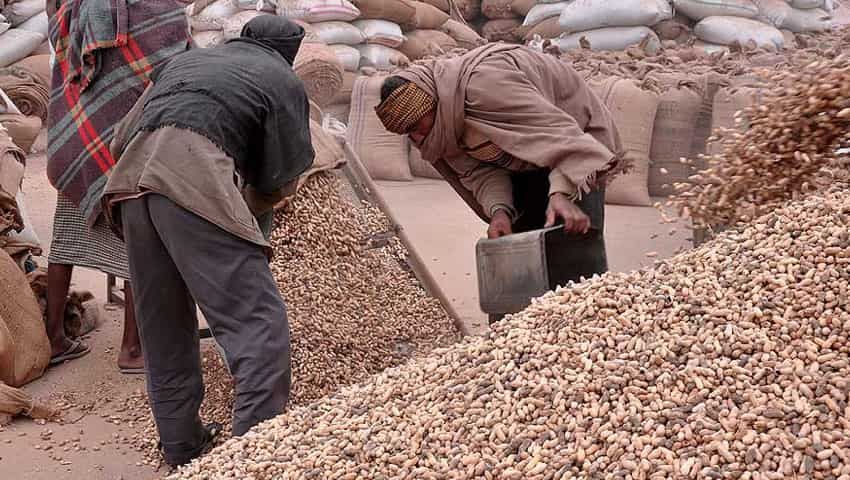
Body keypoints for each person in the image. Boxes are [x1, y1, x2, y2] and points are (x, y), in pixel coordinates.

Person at [102, 16, 314, 466]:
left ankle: (182, 447)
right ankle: (251, 453)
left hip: (130, 185)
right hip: (190, 178)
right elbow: (279, 176)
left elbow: (121, 139)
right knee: (258, 323)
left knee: (164, 326)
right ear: (289, 54)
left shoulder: (187, 61)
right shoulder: (282, 79)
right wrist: (246, 219)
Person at [375, 43, 624, 285]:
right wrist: (499, 212)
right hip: (522, 159)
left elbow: (559, 136)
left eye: (418, 128)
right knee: (521, 254)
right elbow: (478, 171)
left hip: (575, 141)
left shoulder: (487, 87)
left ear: (435, 103)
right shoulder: (443, 126)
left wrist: (560, 192)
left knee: (572, 252)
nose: (418, 139)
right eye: (409, 135)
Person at [44, 0, 190, 372]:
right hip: (120, 152)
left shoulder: (71, 11)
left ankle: (53, 337)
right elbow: (185, 67)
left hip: (76, 145)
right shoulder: (161, 12)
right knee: (138, 246)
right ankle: (131, 349)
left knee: (64, 240)